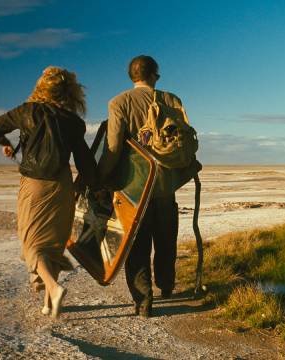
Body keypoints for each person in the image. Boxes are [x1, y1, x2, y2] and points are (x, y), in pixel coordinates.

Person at [0, 66, 98, 318]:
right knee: (54, 246)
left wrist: (6, 144)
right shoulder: (73, 122)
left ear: (41, 87)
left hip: (34, 185)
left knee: (31, 244)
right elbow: (87, 164)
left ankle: (54, 289)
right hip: (63, 186)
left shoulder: (27, 111)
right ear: (70, 93)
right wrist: (78, 186)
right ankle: (48, 303)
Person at [98, 55, 183, 317]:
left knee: (136, 246)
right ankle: (166, 285)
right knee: (167, 241)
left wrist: (100, 179)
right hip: (166, 185)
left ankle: (144, 302)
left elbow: (112, 148)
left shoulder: (119, 102)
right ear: (155, 75)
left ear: (131, 76)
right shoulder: (171, 100)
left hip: (134, 190)